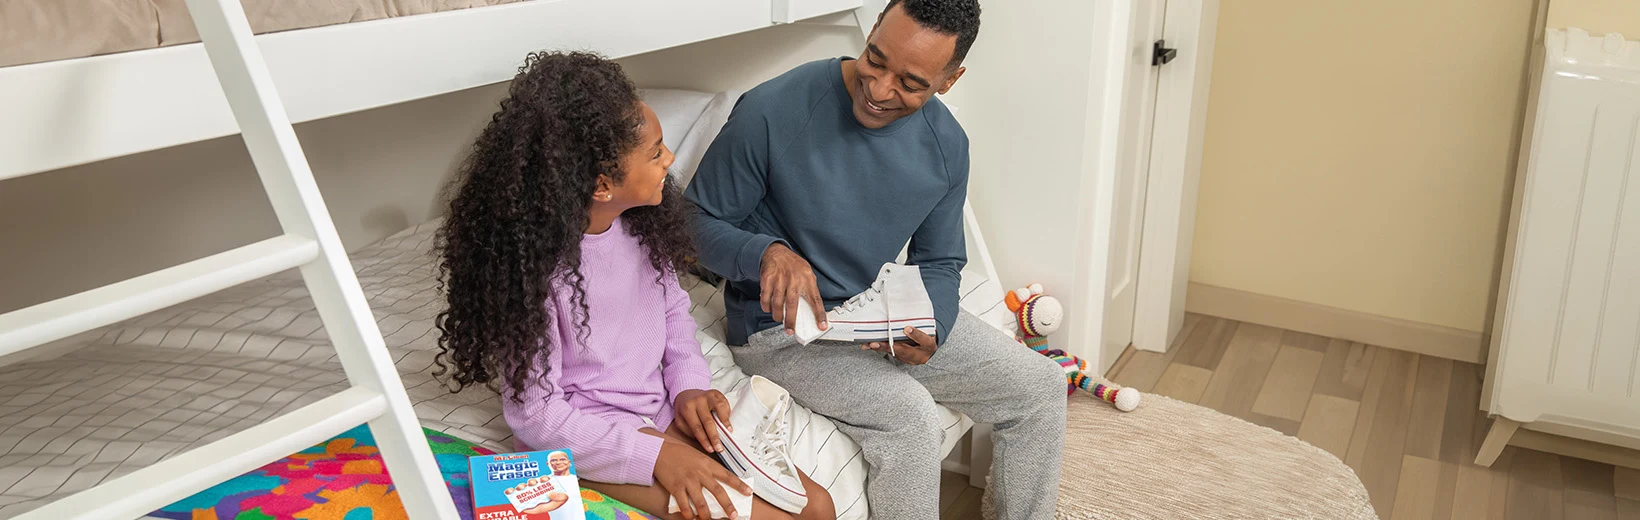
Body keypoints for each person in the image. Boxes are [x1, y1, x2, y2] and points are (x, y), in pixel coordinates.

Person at [683, 0, 1068, 518]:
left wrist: (932, 325)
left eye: (911, 83)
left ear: (949, 81)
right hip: (781, 328)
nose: (880, 89)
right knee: (910, 417)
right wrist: (765, 252)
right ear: (873, 33)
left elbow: (940, 261)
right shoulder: (773, 108)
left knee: (1041, 389)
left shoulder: (947, 145)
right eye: (875, 58)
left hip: (875, 314)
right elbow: (690, 223)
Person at [432, 51, 836, 520]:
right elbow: (537, 415)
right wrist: (660, 456)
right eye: (655, 151)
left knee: (818, 506)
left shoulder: (643, 228)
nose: (669, 158)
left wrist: (687, 388)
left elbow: (673, 318)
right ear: (603, 184)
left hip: (658, 415)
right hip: (589, 441)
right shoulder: (535, 275)